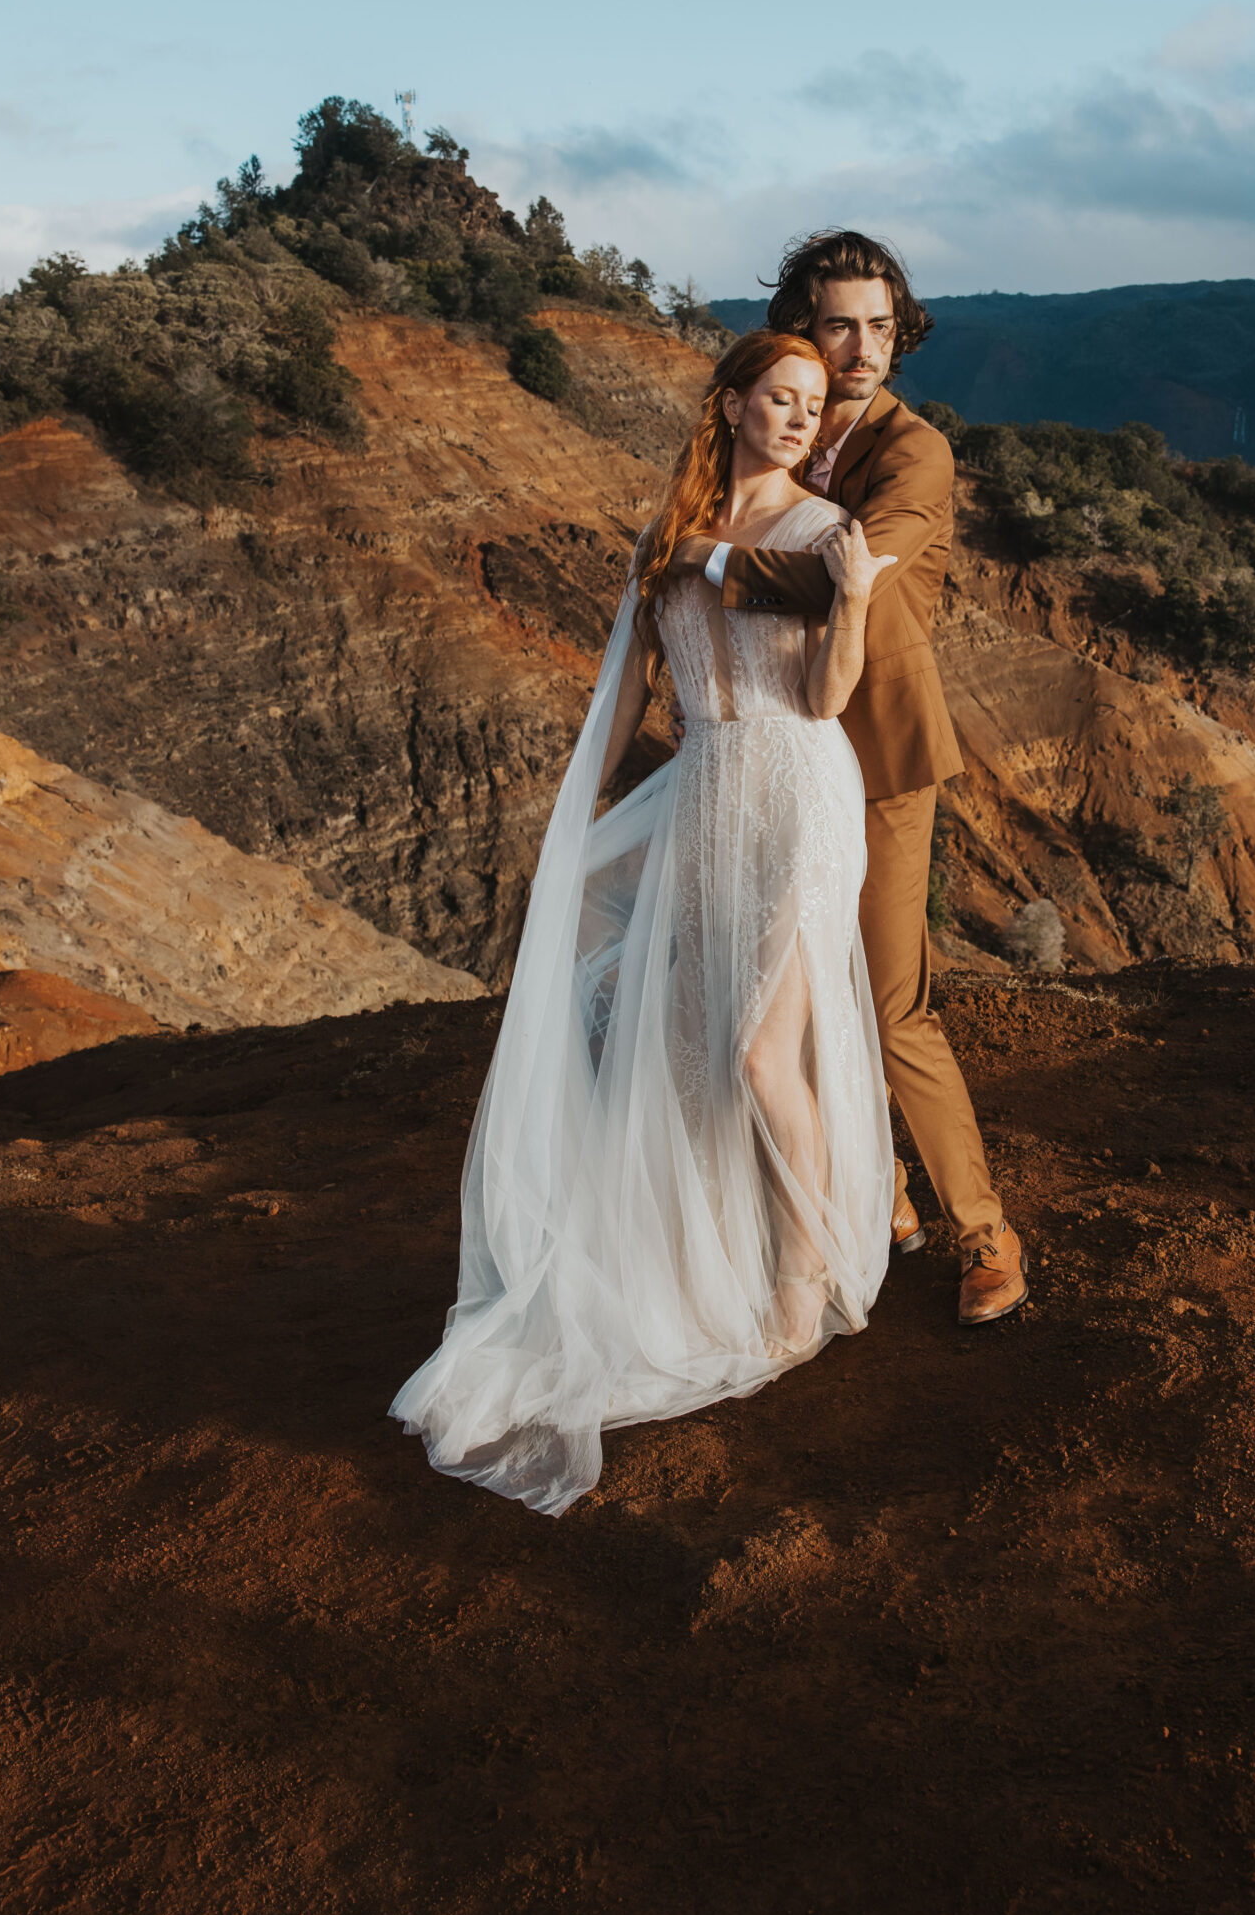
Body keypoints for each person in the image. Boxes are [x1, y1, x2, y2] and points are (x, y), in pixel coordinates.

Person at [391, 330, 897, 1515]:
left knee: (761, 1051)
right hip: (710, 794)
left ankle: (798, 1280)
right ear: (730, 405)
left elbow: (826, 697)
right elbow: (628, 690)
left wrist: (860, 600)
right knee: (681, 1050)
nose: (797, 418)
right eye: (778, 397)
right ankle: (705, 1261)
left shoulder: (824, 539)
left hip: (800, 794)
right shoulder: (665, 539)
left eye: (814, 405)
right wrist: (581, 813)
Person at [671, 229, 1029, 1328]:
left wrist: (709, 555)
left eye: (881, 326)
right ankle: (880, 1203)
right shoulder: (781, 418)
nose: (863, 349)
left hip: (874, 756)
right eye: (840, 325)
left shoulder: (915, 453)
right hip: (768, 757)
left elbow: (842, 579)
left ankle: (985, 1236)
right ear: (800, 326)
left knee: (886, 1005)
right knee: (786, 999)